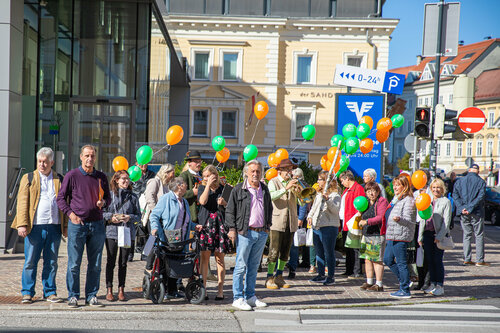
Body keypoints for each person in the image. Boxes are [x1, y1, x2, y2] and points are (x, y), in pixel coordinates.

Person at [56, 145, 111, 308]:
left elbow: (108, 198)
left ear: (95, 158)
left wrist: (104, 203)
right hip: (77, 225)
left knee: (95, 263)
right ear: (81, 157)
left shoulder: (101, 177)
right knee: (74, 263)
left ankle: (92, 295)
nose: (90, 158)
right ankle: (73, 296)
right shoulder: (72, 175)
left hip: (97, 225)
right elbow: (60, 199)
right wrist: (71, 215)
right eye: (87, 155)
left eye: (92, 156)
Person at [12, 147, 67, 304]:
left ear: (52, 162)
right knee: (30, 261)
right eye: (39, 161)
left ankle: (50, 292)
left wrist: (65, 226)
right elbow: (22, 202)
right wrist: (22, 224)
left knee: (51, 262)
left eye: (45, 162)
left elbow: (65, 203)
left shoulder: (59, 179)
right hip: (35, 226)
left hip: (54, 226)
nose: (42, 164)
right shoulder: (28, 177)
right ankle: (27, 292)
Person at [225, 160, 273, 311]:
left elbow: (269, 209)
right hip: (245, 233)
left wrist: (267, 227)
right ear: (246, 172)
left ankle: (250, 296)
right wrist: (232, 229)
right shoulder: (239, 189)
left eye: (258, 171)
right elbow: (230, 211)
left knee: (253, 267)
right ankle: (237, 298)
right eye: (252, 171)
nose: (255, 174)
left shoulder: (264, 189)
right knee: (240, 266)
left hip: (261, 233)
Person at [149, 177, 203, 299]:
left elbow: (186, 221)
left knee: (175, 265)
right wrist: (155, 228)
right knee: (165, 264)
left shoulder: (183, 201)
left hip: (181, 239)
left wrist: (195, 227)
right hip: (167, 238)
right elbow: (155, 216)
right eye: (185, 184)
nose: (186, 187)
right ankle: (162, 289)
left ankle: (172, 291)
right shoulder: (166, 199)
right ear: (179, 186)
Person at [103, 170, 141, 301]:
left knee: (123, 262)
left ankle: (121, 289)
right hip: (112, 231)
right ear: (116, 180)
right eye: (123, 179)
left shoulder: (133, 197)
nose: (126, 181)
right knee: (111, 261)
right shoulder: (109, 195)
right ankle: (109, 289)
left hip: (126, 231)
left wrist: (129, 217)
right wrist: (111, 217)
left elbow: (139, 217)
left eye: (127, 179)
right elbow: (102, 213)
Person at [197, 165, 232, 300]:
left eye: (208, 176)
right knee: (204, 258)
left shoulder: (223, 189)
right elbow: (202, 201)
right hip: (206, 225)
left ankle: (220, 290)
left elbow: (230, 207)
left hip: (220, 225)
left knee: (220, 258)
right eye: (204, 176)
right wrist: (207, 186)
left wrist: (224, 203)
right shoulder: (201, 188)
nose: (206, 178)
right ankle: (204, 289)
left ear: (215, 176)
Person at [265, 158, 301, 290]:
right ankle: (269, 277)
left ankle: (279, 276)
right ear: (280, 171)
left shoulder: (293, 183)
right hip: (277, 221)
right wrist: (286, 188)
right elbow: (271, 196)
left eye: (291, 169)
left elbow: (302, 202)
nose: (290, 172)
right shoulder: (273, 182)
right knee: (274, 251)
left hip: (290, 221)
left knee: (285, 251)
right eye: (287, 169)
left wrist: (300, 194)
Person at [417, 178, 452, 296]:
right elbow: (423, 219)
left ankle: (439, 285)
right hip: (427, 234)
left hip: (438, 235)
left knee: (437, 260)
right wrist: (420, 236)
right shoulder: (427, 200)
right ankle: (432, 283)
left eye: (438, 187)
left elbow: (446, 222)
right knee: (429, 261)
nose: (436, 190)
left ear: (442, 189)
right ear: (430, 189)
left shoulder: (445, 201)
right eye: (434, 187)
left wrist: (440, 236)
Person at [383, 175, 416, 299]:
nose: (395, 187)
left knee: (401, 262)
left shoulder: (408, 200)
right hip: (392, 234)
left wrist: (399, 219)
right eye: (394, 185)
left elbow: (409, 220)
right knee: (387, 259)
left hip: (400, 235)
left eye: (398, 185)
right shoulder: (396, 199)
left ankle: (405, 289)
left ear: (405, 186)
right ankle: (405, 281)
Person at [306, 171, 341, 286]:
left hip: (329, 227)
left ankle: (330, 276)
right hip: (317, 225)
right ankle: (321, 274)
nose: (318, 182)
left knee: (328, 252)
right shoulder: (319, 194)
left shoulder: (335, 195)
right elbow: (314, 207)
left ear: (327, 181)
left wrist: (327, 200)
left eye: (320, 179)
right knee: (318, 251)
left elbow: (335, 210)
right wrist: (310, 216)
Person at [453, 164, 488, 266]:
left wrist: (462, 207)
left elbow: (455, 195)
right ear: (478, 171)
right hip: (476, 212)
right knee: (479, 235)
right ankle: (479, 260)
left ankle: (467, 258)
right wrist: (470, 208)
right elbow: (480, 197)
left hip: (464, 212)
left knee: (467, 235)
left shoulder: (460, 181)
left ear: (469, 170)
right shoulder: (481, 182)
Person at [358, 181, 389, 292]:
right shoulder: (366, 202)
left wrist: (366, 221)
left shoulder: (382, 201)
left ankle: (379, 284)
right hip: (366, 234)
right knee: (367, 259)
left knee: (377, 260)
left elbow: (380, 217)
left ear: (378, 192)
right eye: (369, 191)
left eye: (374, 191)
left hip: (377, 234)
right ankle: (369, 282)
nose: (371, 193)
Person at [144, 163, 175, 271]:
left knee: (160, 243)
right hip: (154, 218)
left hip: (164, 219)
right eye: (172, 173)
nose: (173, 175)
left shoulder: (166, 184)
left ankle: (158, 267)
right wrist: (156, 212)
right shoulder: (155, 181)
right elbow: (149, 197)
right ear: (166, 173)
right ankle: (148, 266)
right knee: (154, 241)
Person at [339, 170, 365, 279]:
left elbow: (360, 206)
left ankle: (357, 271)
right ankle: (349, 270)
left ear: (347, 179)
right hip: (346, 222)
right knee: (348, 247)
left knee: (355, 248)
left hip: (353, 222)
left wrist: (357, 221)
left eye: (342, 180)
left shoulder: (358, 188)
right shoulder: (346, 190)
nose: (341, 183)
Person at [130, 162, 156, 261]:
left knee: (147, 228)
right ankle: (133, 251)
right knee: (136, 226)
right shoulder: (133, 173)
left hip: (147, 204)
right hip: (136, 203)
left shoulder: (152, 175)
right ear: (136, 163)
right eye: (141, 163)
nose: (143, 165)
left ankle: (145, 252)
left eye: (145, 163)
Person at [287, 168, 310, 279]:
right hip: (284, 218)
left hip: (295, 217)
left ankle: (293, 266)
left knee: (294, 244)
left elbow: (303, 202)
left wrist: (301, 217)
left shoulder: (299, 185)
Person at [180, 151, 203, 223]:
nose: (198, 164)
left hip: (203, 214)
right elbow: (179, 194)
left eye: (200, 161)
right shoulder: (184, 175)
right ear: (189, 163)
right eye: (196, 162)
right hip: (191, 215)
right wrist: (192, 192)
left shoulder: (203, 175)